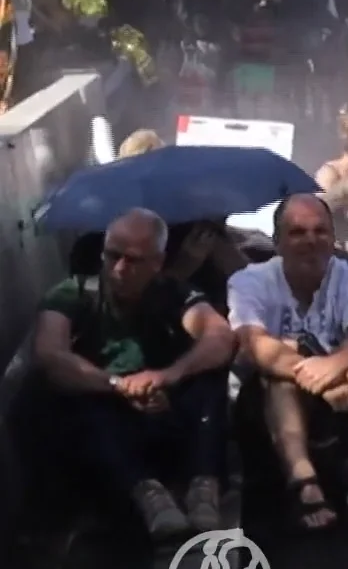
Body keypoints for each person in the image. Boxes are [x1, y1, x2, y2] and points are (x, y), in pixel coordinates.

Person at [29, 209, 238, 537]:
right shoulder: (73, 293)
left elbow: (219, 337)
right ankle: (147, 496)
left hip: (166, 408)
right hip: (109, 412)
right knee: (78, 404)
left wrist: (168, 376)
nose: (120, 269)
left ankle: (204, 486)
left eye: (134, 260)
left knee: (210, 384)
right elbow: (50, 354)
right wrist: (118, 386)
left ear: (157, 262)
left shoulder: (174, 292)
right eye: (113, 256)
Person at [227, 194, 348, 531]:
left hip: (338, 395)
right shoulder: (249, 281)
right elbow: (256, 347)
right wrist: (324, 379)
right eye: (298, 232)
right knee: (279, 377)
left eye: (320, 231)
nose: (311, 240)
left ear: (332, 237)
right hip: (263, 405)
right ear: (277, 242)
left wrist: (342, 360)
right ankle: (304, 483)